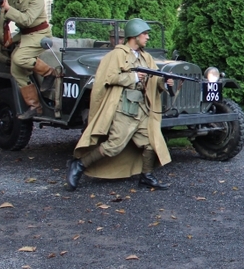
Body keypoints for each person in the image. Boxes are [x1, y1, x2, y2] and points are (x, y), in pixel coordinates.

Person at [68, 18, 173, 191]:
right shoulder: (117, 55)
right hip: (124, 108)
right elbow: (107, 77)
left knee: (150, 143)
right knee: (114, 146)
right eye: (144, 34)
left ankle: (146, 175)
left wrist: (165, 82)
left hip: (141, 109)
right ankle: (79, 165)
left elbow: (154, 79)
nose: (147, 37)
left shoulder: (146, 57)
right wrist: (132, 77)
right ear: (134, 35)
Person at [0, 0, 55, 119]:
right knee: (16, 70)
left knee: (19, 58)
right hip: (24, 34)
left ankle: (49, 73)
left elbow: (27, 20)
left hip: (39, 33)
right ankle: (35, 107)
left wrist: (8, 8)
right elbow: (1, 19)